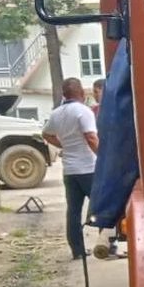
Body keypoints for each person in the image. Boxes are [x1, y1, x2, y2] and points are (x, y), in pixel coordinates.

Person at [43, 78, 99, 260]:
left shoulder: (56, 114)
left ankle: (78, 250)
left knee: (73, 211)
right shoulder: (84, 112)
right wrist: (103, 156)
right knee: (100, 207)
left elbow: (46, 134)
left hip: (69, 170)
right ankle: (107, 246)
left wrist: (63, 146)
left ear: (64, 94)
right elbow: (91, 137)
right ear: (82, 93)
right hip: (88, 168)